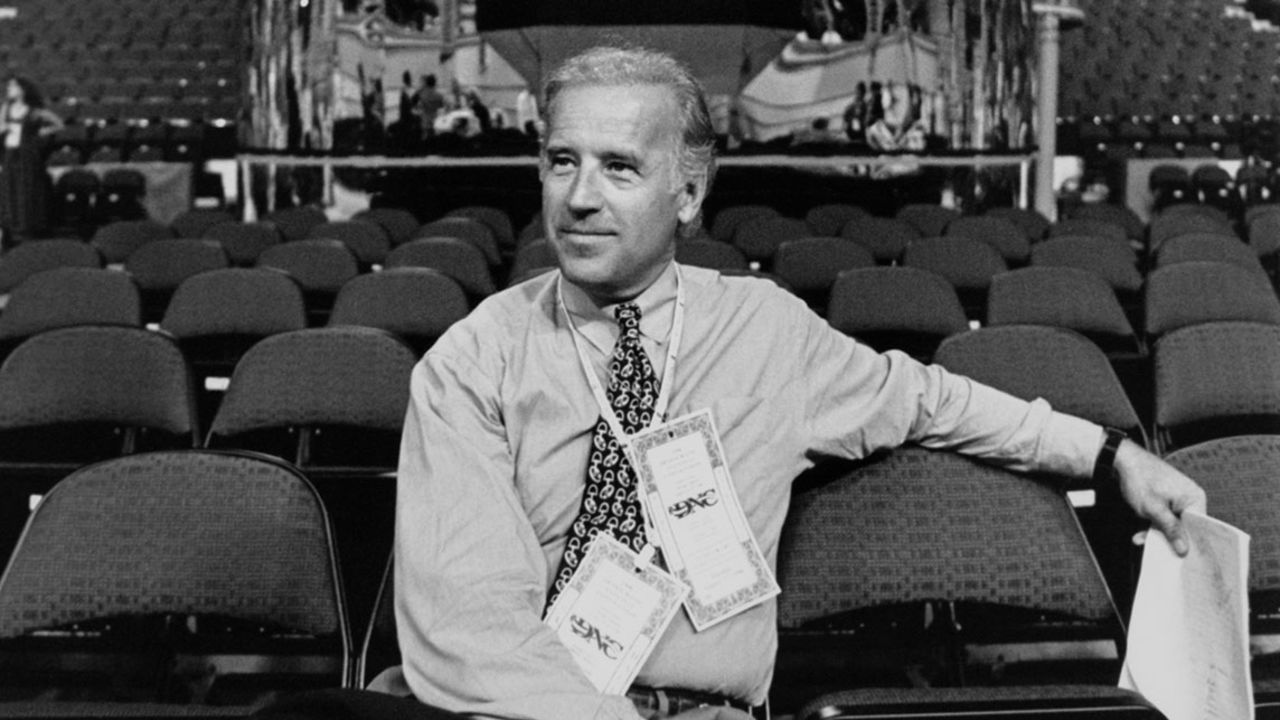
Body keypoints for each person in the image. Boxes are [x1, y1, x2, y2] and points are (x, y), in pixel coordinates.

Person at [379, 46, 1206, 720]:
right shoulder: (472, 361)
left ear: (689, 194)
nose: (581, 198)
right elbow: (470, 624)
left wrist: (1109, 455)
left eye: (619, 168)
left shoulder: (767, 331)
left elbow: (929, 399)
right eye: (563, 162)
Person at [0, 76, 62, 244]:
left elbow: (58, 123)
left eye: (13, 86)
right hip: (10, 153)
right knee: (9, 188)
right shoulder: (7, 107)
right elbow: (1, 127)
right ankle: (11, 225)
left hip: (26, 154)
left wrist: (42, 132)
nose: (9, 89)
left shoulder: (33, 110)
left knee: (25, 189)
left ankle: (26, 227)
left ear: (22, 89)